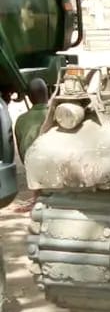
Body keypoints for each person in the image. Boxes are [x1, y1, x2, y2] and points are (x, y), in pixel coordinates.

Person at [13, 78, 49, 213]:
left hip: (31, 164)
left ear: (29, 98)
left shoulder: (21, 119)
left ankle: (37, 196)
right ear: (47, 94)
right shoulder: (55, 114)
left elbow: (20, 147)